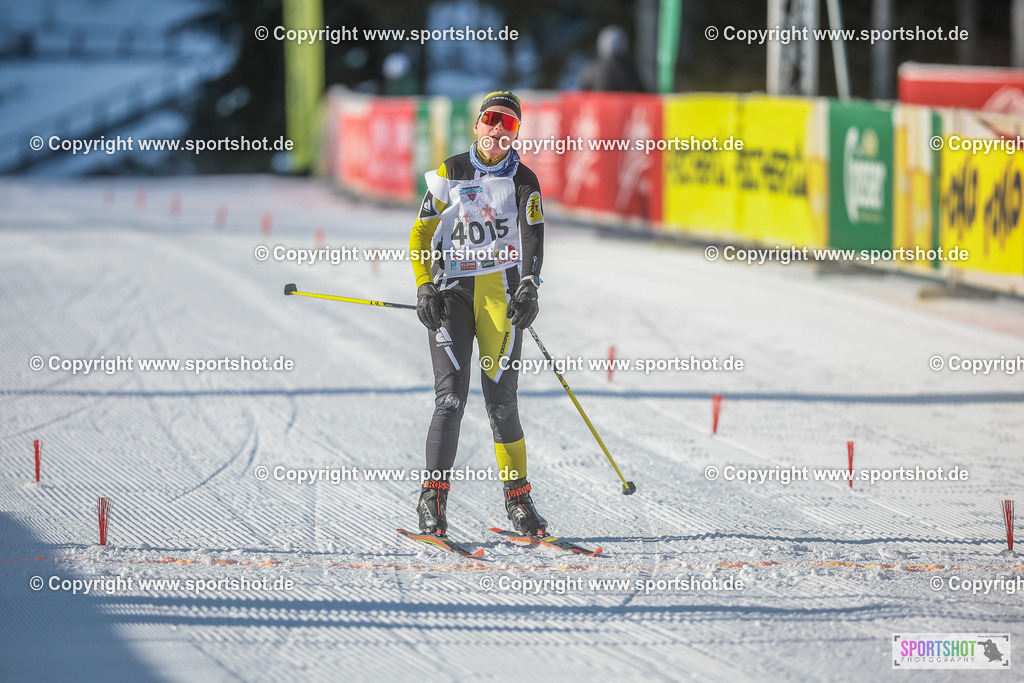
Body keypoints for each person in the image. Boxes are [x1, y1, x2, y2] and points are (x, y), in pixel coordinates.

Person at [409, 90, 547, 538]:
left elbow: (533, 238)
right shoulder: (450, 172)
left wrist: (529, 285)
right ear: (476, 125)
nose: (498, 130)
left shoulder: (525, 180)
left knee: (502, 403)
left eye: (508, 124)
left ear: (516, 133)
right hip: (451, 298)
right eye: (491, 119)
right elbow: (419, 233)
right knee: (450, 399)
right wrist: (424, 285)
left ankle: (519, 502)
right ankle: (432, 500)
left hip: (498, 301)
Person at [579, 25, 646, 93]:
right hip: (621, 103)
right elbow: (641, 91)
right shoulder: (629, 68)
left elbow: (583, 92)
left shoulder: (593, 68)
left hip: (599, 103)